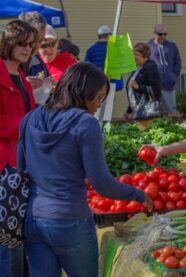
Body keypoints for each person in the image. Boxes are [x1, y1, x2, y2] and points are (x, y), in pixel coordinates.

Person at [18, 62, 152, 277]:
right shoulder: (85, 123)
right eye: (98, 97)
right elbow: (101, 183)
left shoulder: (30, 118)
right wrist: (138, 194)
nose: (99, 104)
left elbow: (21, 172)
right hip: (70, 220)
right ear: (83, 92)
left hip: (34, 220)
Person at [0, 19, 37, 277]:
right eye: (23, 43)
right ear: (9, 43)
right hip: (5, 166)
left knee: (18, 235)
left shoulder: (21, 75)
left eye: (31, 45)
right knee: (7, 237)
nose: (28, 49)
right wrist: (28, 123)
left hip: (23, 163)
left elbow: (29, 112)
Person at [148, 23, 182, 115]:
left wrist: (173, 76)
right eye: (160, 34)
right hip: (154, 86)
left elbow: (177, 62)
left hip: (168, 85)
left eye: (165, 34)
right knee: (154, 113)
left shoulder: (172, 46)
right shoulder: (147, 46)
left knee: (170, 113)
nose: (163, 36)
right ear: (154, 34)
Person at [124, 42, 161, 120]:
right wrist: (128, 111)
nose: (134, 57)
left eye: (136, 55)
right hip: (137, 113)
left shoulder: (151, 68)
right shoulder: (137, 69)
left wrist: (138, 87)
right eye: (133, 54)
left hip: (148, 113)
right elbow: (133, 94)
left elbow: (156, 90)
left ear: (145, 56)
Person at [85, 25, 124, 91]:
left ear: (99, 36)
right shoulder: (116, 49)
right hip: (113, 82)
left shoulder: (91, 49)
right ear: (108, 35)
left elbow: (86, 67)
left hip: (97, 83)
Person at [18, 11, 49, 90]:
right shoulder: (5, 62)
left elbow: (45, 91)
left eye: (41, 40)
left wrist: (50, 88)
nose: (38, 45)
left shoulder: (38, 62)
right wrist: (22, 86)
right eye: (35, 40)